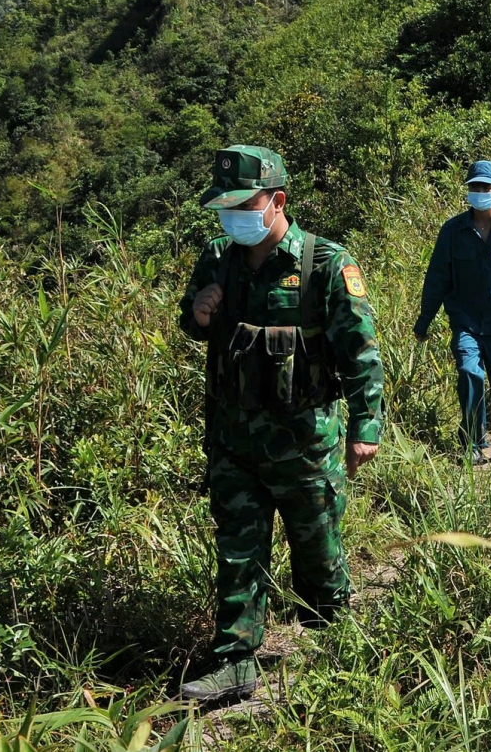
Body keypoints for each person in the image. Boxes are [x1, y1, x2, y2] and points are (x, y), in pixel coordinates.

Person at [177, 145, 384, 704]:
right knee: (238, 550)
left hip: (305, 444)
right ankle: (234, 661)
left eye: (243, 205)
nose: (231, 219)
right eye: (223, 209)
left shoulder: (324, 263)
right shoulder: (217, 256)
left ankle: (336, 649)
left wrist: (367, 427)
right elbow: (192, 324)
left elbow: (361, 352)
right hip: (232, 440)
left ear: (277, 201)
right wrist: (199, 311)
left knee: (317, 551)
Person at [414, 161, 491, 464]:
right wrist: (424, 321)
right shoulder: (453, 231)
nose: (479, 192)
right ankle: (472, 442)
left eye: (485, 187)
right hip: (466, 323)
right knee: (470, 372)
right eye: (474, 187)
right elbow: (437, 279)